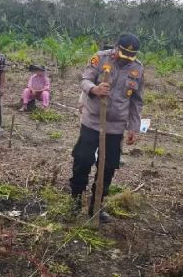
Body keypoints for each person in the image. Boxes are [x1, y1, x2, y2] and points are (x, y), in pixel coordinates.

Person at [70, 33, 144, 223]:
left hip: (116, 126)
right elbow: (84, 79)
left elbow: (136, 101)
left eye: (130, 56)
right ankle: (75, 200)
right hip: (92, 120)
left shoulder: (137, 68)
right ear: (116, 48)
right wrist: (94, 89)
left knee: (108, 166)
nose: (125, 59)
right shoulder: (100, 58)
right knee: (83, 159)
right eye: (123, 53)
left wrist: (133, 127)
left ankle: (96, 205)